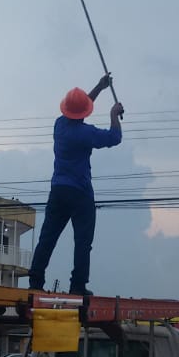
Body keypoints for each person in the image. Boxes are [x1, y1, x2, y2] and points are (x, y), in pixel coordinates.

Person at [28, 74, 124, 295]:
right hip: (80, 193)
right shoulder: (85, 133)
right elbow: (114, 137)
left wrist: (99, 87)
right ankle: (78, 286)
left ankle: (35, 281)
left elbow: (79, 108)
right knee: (82, 242)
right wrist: (114, 114)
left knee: (48, 237)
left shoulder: (59, 125)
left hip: (58, 190)